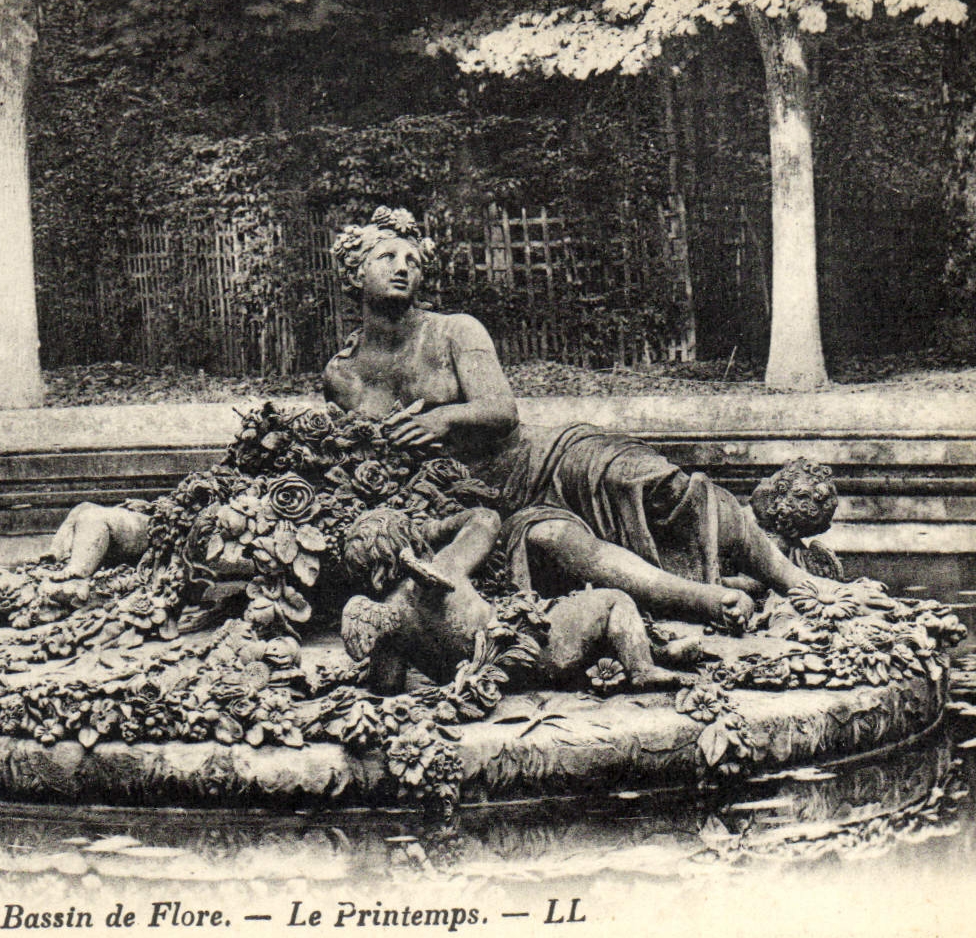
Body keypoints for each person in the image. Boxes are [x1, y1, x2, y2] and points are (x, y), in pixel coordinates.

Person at [320, 207, 831, 628]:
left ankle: (799, 583)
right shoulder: (342, 376)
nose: (403, 267)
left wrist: (444, 420)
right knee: (563, 545)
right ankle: (711, 596)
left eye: (412, 259)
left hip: (543, 458)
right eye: (387, 257)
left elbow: (501, 410)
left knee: (653, 484)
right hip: (484, 503)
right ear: (354, 273)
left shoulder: (455, 331)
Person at [339, 506, 694, 695]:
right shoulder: (444, 565)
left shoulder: (387, 619)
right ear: (407, 540)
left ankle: (658, 651)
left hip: (487, 680)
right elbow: (486, 518)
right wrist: (432, 528)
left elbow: (386, 685)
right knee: (612, 601)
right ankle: (642, 668)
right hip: (537, 648)